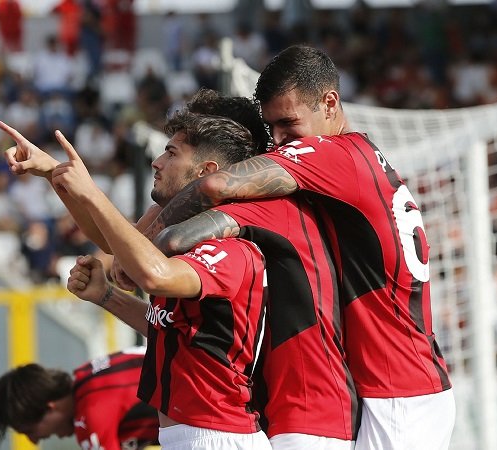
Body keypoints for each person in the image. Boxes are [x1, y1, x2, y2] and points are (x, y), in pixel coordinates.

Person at [0, 91, 360, 448]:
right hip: (219, 426)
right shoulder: (180, 222)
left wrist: (90, 194)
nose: (157, 161)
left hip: (294, 415)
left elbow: (148, 269)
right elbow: (160, 311)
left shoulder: (232, 238)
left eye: (173, 151)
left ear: (209, 170)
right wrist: (57, 175)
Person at [143, 45, 456, 450]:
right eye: (271, 126)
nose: (278, 140)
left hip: (398, 392)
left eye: (288, 123)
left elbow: (215, 184)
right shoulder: (354, 162)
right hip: (398, 383)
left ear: (330, 104)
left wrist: (144, 245)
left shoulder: (333, 155)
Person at [0, 347, 159, 450]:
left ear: (50, 407)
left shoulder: (89, 417)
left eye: (30, 431)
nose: (33, 441)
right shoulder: (86, 374)